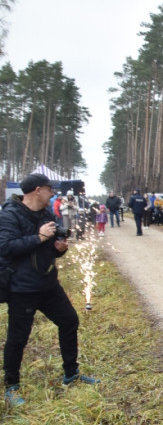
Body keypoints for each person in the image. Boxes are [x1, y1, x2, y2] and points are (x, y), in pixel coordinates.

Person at [1, 173, 99, 407]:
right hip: (22, 287)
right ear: (37, 190)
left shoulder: (46, 213)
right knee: (18, 337)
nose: (53, 193)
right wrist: (39, 237)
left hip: (47, 284)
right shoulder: (10, 215)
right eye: (49, 189)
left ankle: (71, 374)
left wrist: (59, 248)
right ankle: (11, 388)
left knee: (69, 321)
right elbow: (5, 247)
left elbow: (49, 248)